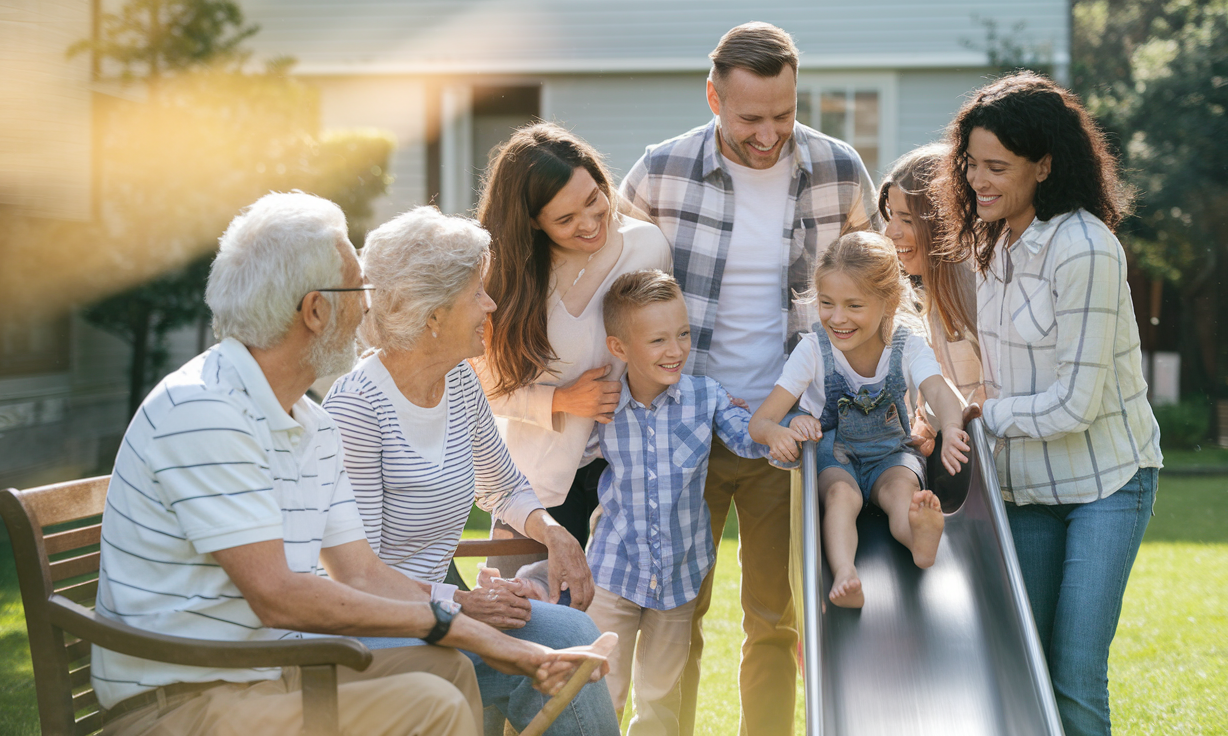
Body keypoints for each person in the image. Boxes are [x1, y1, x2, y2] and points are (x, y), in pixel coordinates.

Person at [92, 192, 610, 736]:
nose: (372, 307)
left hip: (269, 672)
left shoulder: (308, 424)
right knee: (433, 697)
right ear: (316, 310)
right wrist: (463, 622)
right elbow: (279, 595)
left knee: (448, 667)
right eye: (358, 290)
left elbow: (362, 571)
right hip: (189, 698)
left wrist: (471, 624)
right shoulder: (205, 411)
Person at [619, 22, 879, 735]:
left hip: (785, 435)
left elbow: (881, 295)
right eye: (749, 118)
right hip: (681, 430)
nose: (769, 134)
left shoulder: (839, 171)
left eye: (783, 115)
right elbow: (613, 293)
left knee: (775, 616)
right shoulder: (660, 172)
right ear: (713, 97)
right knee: (672, 614)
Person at [320, 206, 618, 736]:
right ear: (432, 314)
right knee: (522, 658)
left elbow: (502, 485)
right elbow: (358, 578)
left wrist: (553, 534)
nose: (492, 304)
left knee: (572, 633)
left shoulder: (458, 380)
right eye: (476, 292)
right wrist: (463, 602)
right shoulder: (358, 409)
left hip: (438, 609)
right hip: (368, 628)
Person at [936, 71, 1163, 736]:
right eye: (971, 164)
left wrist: (984, 416)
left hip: (1106, 484)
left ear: (1045, 165)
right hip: (1030, 487)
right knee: (1023, 665)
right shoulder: (993, 242)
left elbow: (1077, 403)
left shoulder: (1085, 248)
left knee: (1072, 671)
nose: (979, 180)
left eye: (997, 167)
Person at [475, 123, 672, 574]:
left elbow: (663, 342)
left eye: (593, 199)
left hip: (623, 472)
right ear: (531, 220)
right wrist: (560, 401)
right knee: (521, 615)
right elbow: (480, 385)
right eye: (565, 219)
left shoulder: (647, 247)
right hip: (535, 483)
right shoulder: (503, 274)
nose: (589, 223)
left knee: (610, 625)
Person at [586, 270, 769, 735]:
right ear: (619, 348)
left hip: (679, 576)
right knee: (600, 689)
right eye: (658, 340)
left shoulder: (705, 397)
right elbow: (558, 455)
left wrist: (781, 433)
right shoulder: (602, 405)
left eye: (683, 334)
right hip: (615, 571)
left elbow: (748, 440)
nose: (675, 350)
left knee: (661, 698)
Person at [748, 232, 972, 608]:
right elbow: (761, 422)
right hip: (837, 456)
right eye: (826, 303)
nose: (838, 318)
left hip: (891, 454)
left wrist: (951, 428)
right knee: (841, 496)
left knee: (902, 493)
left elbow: (938, 392)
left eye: (854, 305)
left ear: (889, 301)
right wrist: (782, 431)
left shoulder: (908, 345)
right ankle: (845, 573)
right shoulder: (813, 351)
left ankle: (921, 540)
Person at [877, 143, 984, 408]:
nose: (890, 232)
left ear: (946, 222)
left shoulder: (981, 296)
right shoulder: (923, 298)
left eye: (907, 219)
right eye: (891, 215)